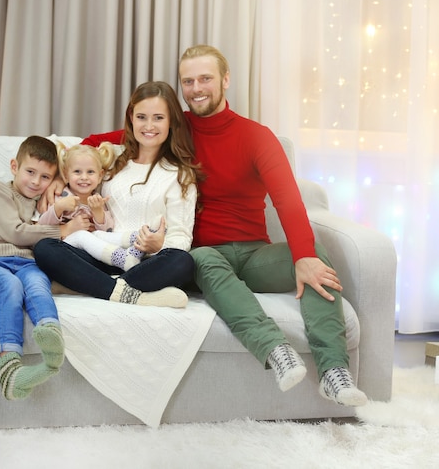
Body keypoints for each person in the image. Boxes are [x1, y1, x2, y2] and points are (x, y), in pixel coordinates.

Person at [78, 45, 367, 407]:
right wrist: (61, 180)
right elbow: (94, 143)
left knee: (315, 256)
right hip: (203, 255)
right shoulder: (172, 127)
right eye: (188, 81)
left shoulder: (256, 136)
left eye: (205, 79)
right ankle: (275, 349)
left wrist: (305, 255)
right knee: (203, 260)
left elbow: (288, 200)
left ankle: (334, 372)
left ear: (225, 80)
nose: (196, 88)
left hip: (254, 253)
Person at [34, 81, 200, 308]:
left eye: (158, 118)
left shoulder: (180, 175)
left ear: (171, 121)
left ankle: (87, 285)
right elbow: (77, 162)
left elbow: (181, 239)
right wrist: (59, 177)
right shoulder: (113, 158)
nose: (149, 125)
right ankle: (129, 293)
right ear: (131, 118)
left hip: (142, 262)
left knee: (183, 262)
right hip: (98, 255)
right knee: (45, 247)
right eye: (142, 117)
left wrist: (159, 244)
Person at [0, 136, 72, 400]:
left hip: (26, 263)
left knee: (38, 283)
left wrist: (61, 183)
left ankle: (51, 341)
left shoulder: (43, 202)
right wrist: (62, 230)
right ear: (14, 166)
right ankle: (10, 368)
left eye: (46, 177)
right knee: (11, 287)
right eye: (30, 172)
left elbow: (79, 169)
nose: (36, 182)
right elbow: (15, 233)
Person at [37, 142, 145, 271]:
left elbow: (107, 230)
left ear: (100, 176)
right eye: (77, 172)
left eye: (90, 172)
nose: (84, 177)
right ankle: (120, 258)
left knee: (98, 235)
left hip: (88, 254)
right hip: (62, 248)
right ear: (66, 175)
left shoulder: (96, 200)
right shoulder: (60, 196)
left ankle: (136, 238)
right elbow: (41, 225)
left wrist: (98, 212)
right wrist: (59, 207)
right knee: (82, 235)